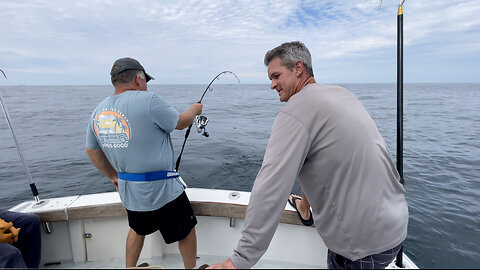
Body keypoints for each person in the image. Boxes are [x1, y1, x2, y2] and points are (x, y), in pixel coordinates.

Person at [208, 41, 409, 269]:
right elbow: (318, 162)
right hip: (395, 226)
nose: (272, 85)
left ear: (298, 68)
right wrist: (305, 206)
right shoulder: (341, 94)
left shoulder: (295, 113)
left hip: (362, 246)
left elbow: (271, 188)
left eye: (276, 76)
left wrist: (239, 261)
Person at [85, 57, 202, 268]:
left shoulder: (98, 111)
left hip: (130, 191)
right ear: (138, 79)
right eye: (145, 80)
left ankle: (130, 268)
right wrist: (195, 109)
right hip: (163, 190)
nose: (146, 84)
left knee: (137, 230)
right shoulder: (149, 100)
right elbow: (180, 123)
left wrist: (113, 176)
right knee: (186, 230)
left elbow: (91, 150)